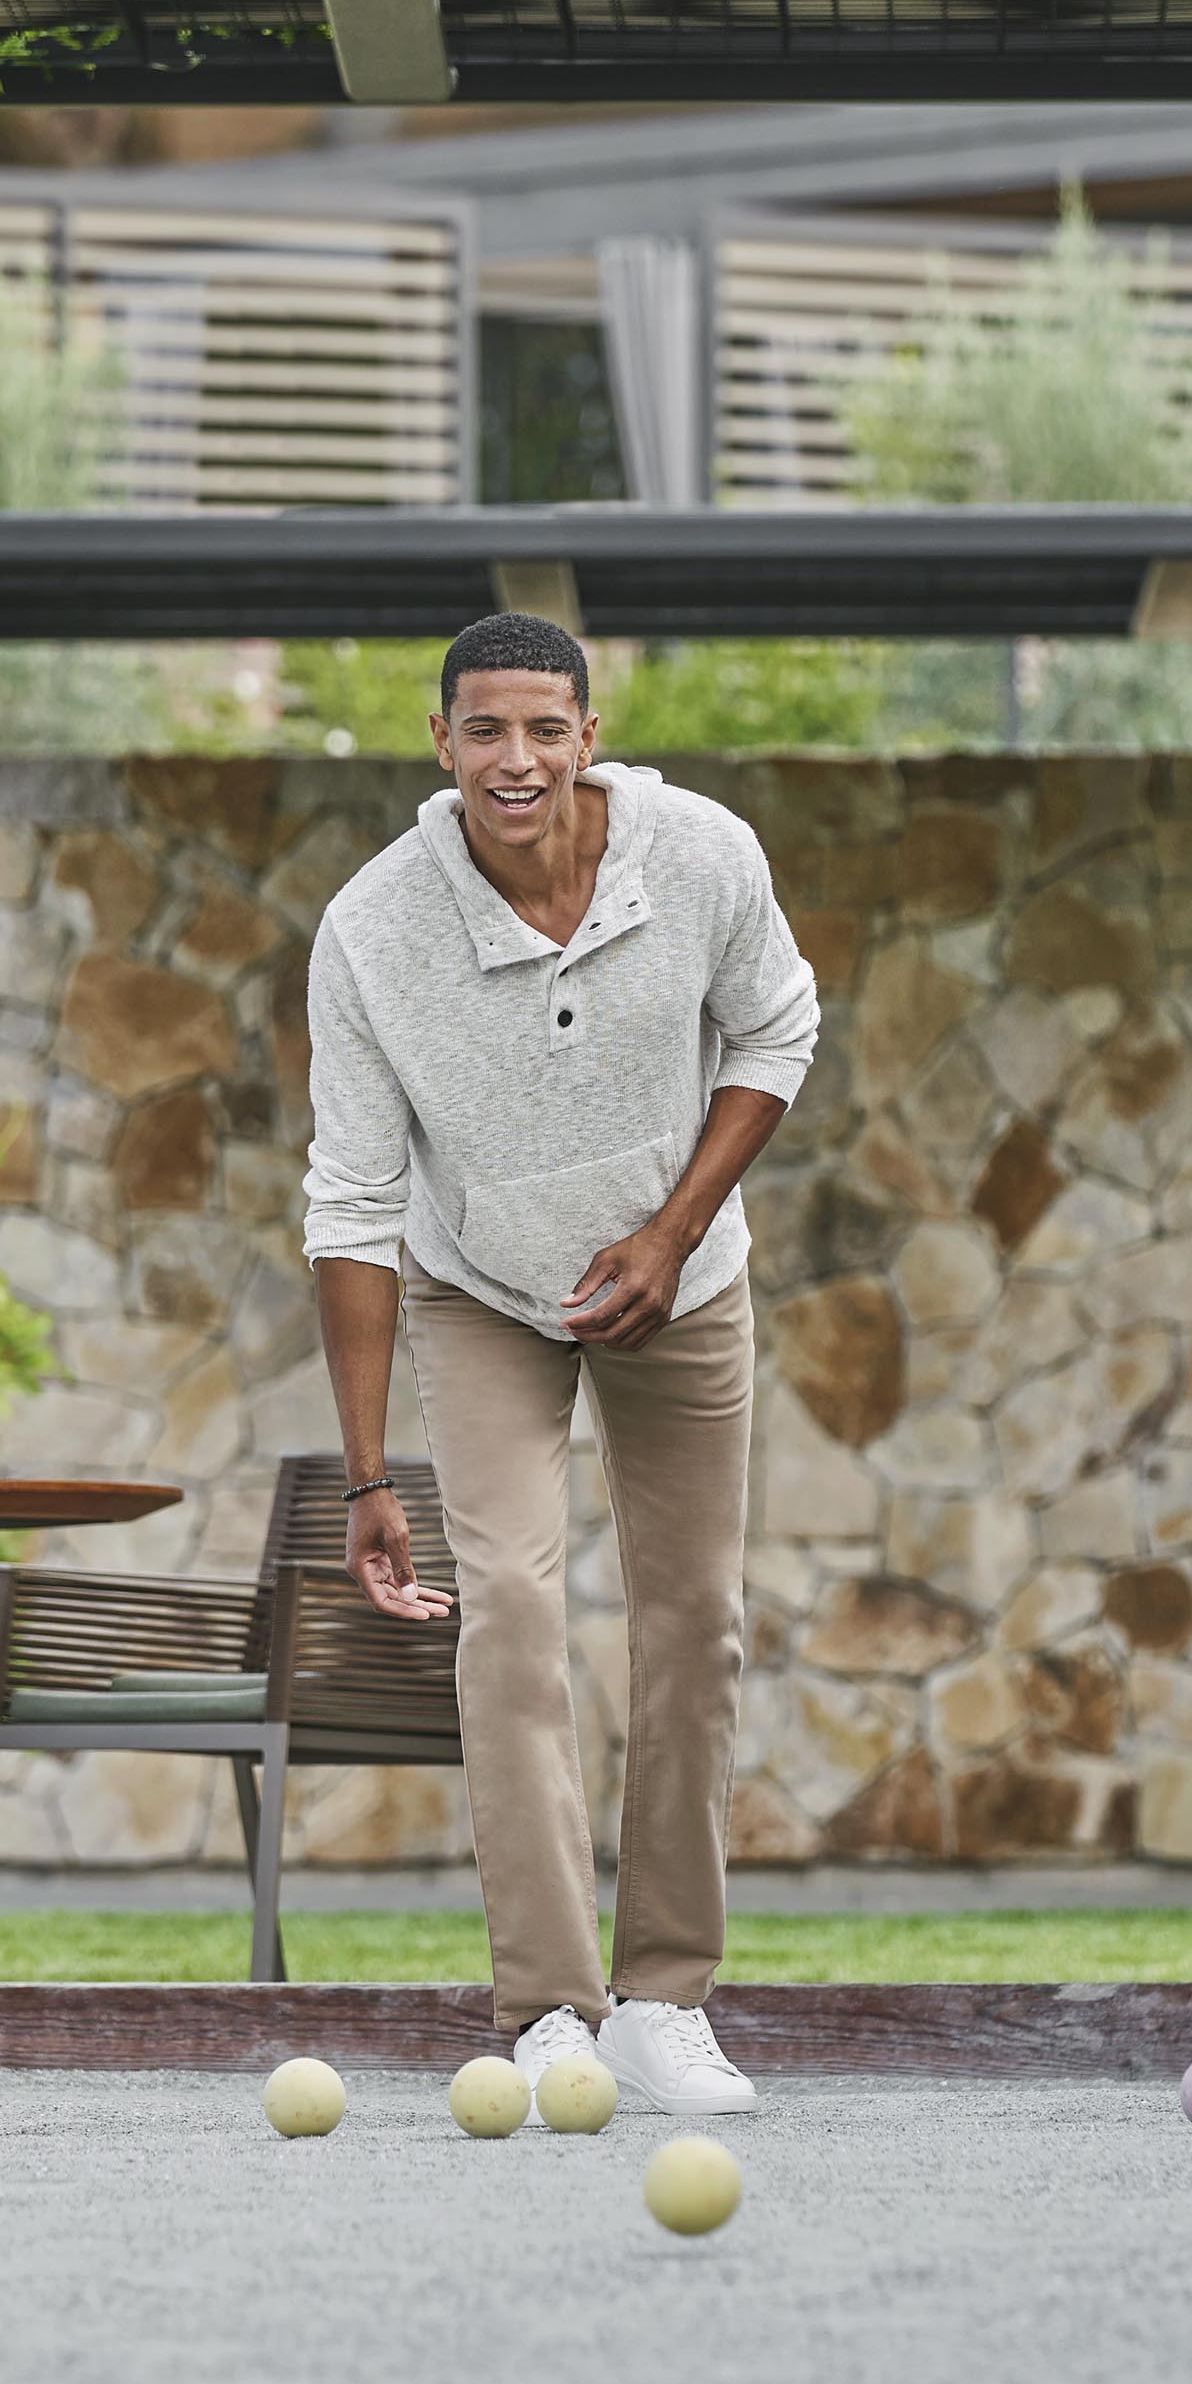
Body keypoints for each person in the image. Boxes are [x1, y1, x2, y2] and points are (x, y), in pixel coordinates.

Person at [302, 611, 818, 2119]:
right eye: (484, 731)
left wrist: (670, 1233)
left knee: (693, 1620)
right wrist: (364, 1473)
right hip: (484, 1294)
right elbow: (351, 1198)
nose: (514, 760)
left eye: (544, 728)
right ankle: (547, 2009)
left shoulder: (703, 854)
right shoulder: (374, 931)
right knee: (513, 1607)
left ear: (589, 734)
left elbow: (776, 1032)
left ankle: (666, 1996)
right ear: (441, 743)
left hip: (685, 1281)